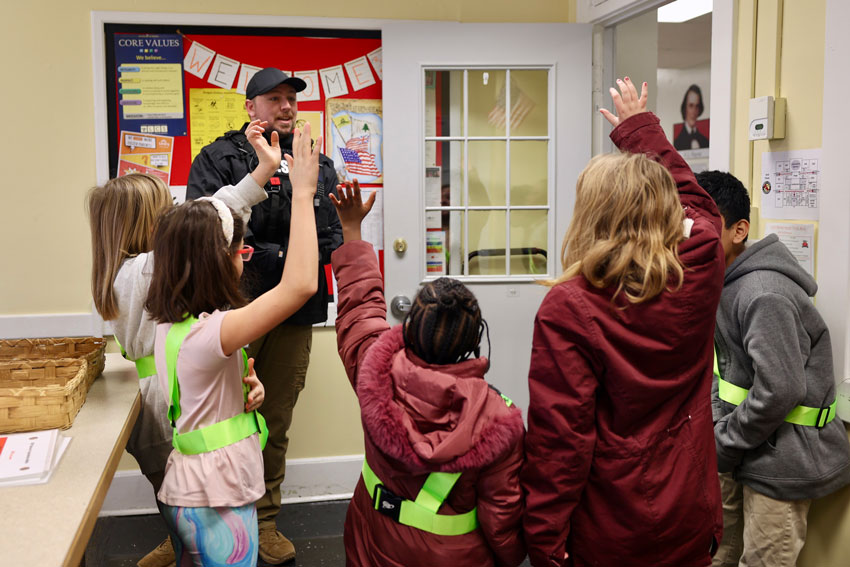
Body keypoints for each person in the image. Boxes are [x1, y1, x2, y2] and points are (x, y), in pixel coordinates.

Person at [522, 78, 725, 567]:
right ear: (664, 212)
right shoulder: (701, 263)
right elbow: (700, 206)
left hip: (614, 523)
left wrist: (544, 540)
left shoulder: (571, 307)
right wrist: (641, 132)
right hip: (689, 510)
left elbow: (561, 442)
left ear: (592, 216)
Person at [87, 119, 280, 567]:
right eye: (167, 210)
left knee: (176, 505)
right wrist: (261, 174)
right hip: (170, 404)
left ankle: (185, 549)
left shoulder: (118, 275)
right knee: (194, 511)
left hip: (157, 399)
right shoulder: (146, 270)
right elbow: (216, 212)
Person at [144, 124, 320, 567]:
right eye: (241, 251)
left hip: (192, 489)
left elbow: (211, 212)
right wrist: (302, 194)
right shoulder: (211, 335)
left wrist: (247, 390)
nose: (244, 258)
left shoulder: (176, 326)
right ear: (219, 262)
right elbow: (300, 285)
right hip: (216, 497)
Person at [186, 67, 342, 564]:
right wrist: (282, 254)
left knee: (274, 417)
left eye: (292, 99)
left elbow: (330, 237)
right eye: (273, 98)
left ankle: (266, 518)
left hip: (296, 313)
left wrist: (266, 251)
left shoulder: (315, 161)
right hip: (228, 312)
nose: (286, 106)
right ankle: (189, 523)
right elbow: (206, 233)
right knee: (212, 417)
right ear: (250, 107)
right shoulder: (216, 159)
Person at [329, 181, 526, 567]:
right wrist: (512, 556)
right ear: (474, 340)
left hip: (372, 539)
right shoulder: (499, 421)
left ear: (410, 328)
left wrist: (351, 230)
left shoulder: (375, 368)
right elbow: (500, 515)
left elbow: (359, 309)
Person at [695, 170, 850, 567]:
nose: (688, 239)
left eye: (704, 227)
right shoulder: (721, 282)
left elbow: (779, 390)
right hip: (741, 446)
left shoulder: (763, 293)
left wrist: (722, 442)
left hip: (780, 459)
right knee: (718, 553)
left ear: (739, 230)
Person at [673, 84, 709, 151]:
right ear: (685, 108)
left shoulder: (705, 142)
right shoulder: (677, 143)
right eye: (691, 106)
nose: (694, 111)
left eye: (697, 106)